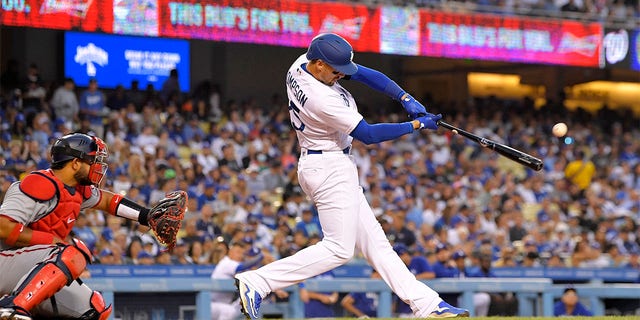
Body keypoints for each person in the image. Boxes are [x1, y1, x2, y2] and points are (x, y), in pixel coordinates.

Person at [234, 32, 468, 319]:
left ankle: (428, 305)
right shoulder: (320, 99)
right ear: (319, 64)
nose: (341, 76)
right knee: (339, 249)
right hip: (328, 166)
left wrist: (404, 96)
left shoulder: (301, 63)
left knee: (377, 245)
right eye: (336, 71)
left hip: (326, 163)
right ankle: (258, 282)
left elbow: (364, 74)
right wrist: (416, 125)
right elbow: (368, 134)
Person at [0, 133, 185, 319]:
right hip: (4, 261)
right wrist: (53, 241)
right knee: (71, 254)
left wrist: (146, 216)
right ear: (75, 163)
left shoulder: (77, 189)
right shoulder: (38, 183)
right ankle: (11, 308)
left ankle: (19, 308)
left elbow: (107, 201)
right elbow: (4, 227)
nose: (98, 167)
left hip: (31, 267)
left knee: (93, 308)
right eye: (92, 160)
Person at [210, 240, 265, 320]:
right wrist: (260, 256)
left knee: (249, 298)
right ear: (230, 252)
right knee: (229, 311)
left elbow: (253, 277)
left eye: (242, 253)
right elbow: (243, 266)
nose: (240, 256)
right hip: (212, 304)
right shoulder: (226, 263)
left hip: (224, 304)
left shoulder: (236, 266)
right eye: (238, 252)